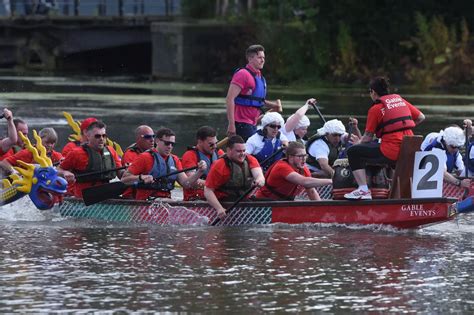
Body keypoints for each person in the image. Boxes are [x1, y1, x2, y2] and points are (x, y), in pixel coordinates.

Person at [345, 76, 425, 200]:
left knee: (353, 152)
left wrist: (357, 143)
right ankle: (398, 193)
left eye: (369, 92)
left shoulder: (375, 109)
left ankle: (363, 190)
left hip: (391, 152)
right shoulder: (401, 101)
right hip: (409, 151)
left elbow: (367, 138)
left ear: (373, 92)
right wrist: (404, 127)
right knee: (374, 149)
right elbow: (421, 117)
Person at [121, 127, 207, 200]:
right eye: (167, 143)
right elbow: (124, 180)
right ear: (157, 141)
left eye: (172, 144)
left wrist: (199, 172)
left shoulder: (175, 160)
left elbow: (186, 184)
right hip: (145, 203)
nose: (170, 146)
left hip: (165, 202)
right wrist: (140, 177)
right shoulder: (144, 157)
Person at [226, 44, 282, 141]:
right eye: (259, 57)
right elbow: (230, 98)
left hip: (253, 123)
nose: (262, 60)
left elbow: (259, 100)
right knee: (250, 152)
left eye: (263, 57)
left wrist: (273, 106)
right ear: (250, 59)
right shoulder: (243, 74)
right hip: (241, 123)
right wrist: (231, 124)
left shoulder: (260, 77)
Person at [204, 135, 265, 218]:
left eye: (244, 150)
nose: (242, 154)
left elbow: (259, 175)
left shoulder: (250, 159)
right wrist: (219, 209)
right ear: (229, 150)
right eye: (239, 151)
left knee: (266, 201)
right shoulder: (219, 165)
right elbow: (208, 190)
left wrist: (259, 180)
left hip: (243, 199)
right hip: (224, 200)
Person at [58, 121, 123, 198]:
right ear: (88, 136)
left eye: (104, 136)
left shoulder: (111, 151)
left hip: (106, 196)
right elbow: (58, 170)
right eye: (97, 136)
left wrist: (131, 171)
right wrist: (65, 173)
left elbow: (121, 174)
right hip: (83, 199)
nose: (101, 139)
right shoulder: (76, 153)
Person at [256, 141, 332, 200]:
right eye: (300, 156)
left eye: (305, 156)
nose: (304, 159)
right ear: (291, 157)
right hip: (265, 203)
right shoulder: (282, 167)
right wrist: (331, 181)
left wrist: (321, 209)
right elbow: (305, 182)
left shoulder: (303, 168)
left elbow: (311, 191)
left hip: (283, 203)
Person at [181, 126, 224, 201]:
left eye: (216, 143)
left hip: (215, 197)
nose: (215, 147)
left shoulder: (219, 153)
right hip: (196, 200)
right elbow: (191, 183)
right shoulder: (190, 155)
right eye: (211, 144)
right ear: (200, 142)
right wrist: (215, 185)